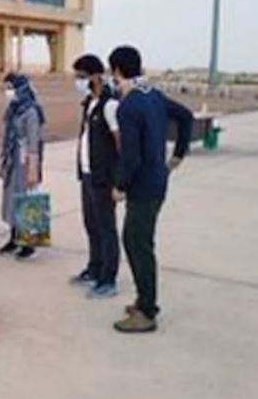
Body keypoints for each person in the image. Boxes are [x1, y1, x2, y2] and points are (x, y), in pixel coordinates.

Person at [109, 45, 194, 333]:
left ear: (116, 70)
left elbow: (131, 157)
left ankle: (147, 311)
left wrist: (120, 185)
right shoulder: (153, 95)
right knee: (136, 240)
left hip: (143, 186)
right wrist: (179, 153)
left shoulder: (128, 106)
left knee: (138, 244)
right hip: (157, 180)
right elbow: (186, 116)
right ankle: (143, 299)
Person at [69, 55, 121, 298]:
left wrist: (119, 178)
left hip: (103, 176)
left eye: (81, 76)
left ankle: (108, 278)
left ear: (95, 76)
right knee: (91, 224)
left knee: (106, 227)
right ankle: (94, 268)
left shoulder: (110, 105)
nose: (78, 81)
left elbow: (120, 143)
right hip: (88, 173)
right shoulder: (90, 102)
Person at [0, 74, 45, 260]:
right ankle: (15, 237)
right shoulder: (12, 110)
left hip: (26, 161)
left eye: (11, 87)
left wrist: (33, 168)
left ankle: (30, 242)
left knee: (27, 198)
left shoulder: (31, 112)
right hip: (13, 159)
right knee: (11, 198)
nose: (8, 92)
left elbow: (34, 141)